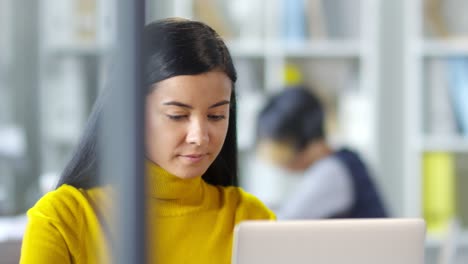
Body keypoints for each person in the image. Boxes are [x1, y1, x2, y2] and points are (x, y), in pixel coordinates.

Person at [20, 18, 275, 264]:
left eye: (217, 115)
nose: (199, 137)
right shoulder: (63, 219)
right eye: (177, 116)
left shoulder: (251, 219)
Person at [256, 86, 387, 219]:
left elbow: (283, 222)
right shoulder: (343, 162)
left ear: (313, 144)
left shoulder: (331, 171)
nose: (284, 167)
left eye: (285, 155)